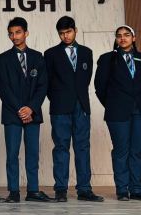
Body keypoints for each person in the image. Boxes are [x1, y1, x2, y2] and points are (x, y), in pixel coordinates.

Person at [44, 16, 103, 201]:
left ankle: (84, 189)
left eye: (68, 32)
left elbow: (85, 79)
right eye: (61, 33)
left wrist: (78, 100)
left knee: (83, 147)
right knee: (61, 147)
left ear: (75, 30)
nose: (65, 36)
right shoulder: (51, 54)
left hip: (81, 106)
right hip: (60, 107)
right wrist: (59, 99)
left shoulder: (86, 52)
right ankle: (61, 189)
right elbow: (47, 83)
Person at [94, 25, 141, 201]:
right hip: (117, 111)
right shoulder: (107, 58)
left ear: (133, 38)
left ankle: (136, 190)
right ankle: (122, 190)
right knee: (121, 151)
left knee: (137, 151)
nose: (123, 38)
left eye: (126, 35)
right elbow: (100, 87)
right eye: (119, 35)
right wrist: (112, 104)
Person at [0, 17, 52, 203]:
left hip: (33, 114)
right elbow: (3, 88)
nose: (14, 36)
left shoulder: (38, 57)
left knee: (32, 153)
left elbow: (43, 85)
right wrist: (21, 109)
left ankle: (33, 191)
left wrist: (31, 108)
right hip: (12, 114)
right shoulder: (3, 58)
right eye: (11, 34)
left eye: (18, 32)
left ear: (26, 33)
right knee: (12, 154)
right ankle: (13, 192)